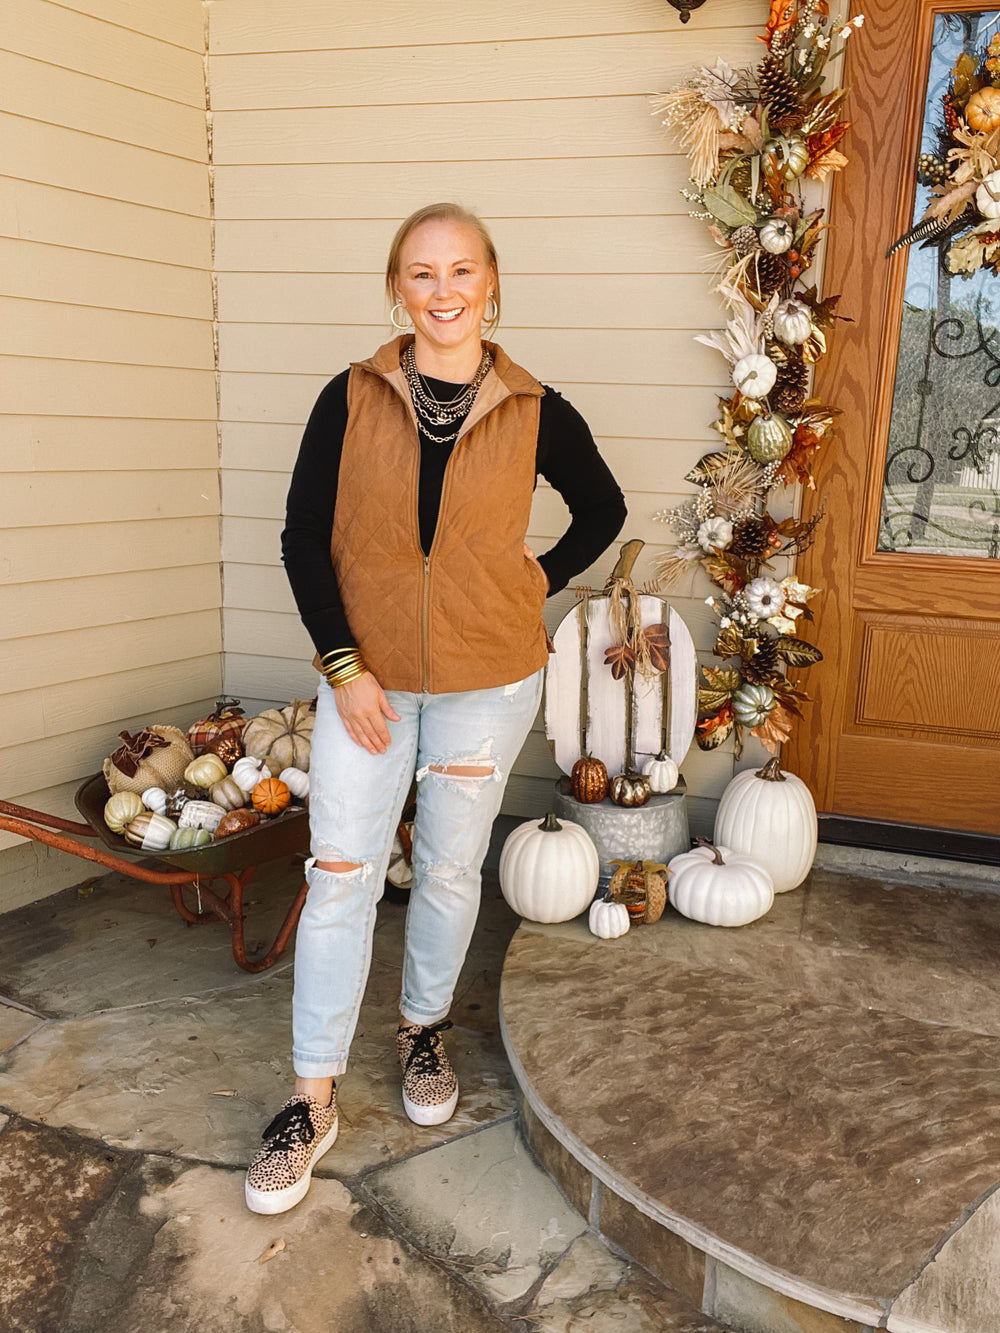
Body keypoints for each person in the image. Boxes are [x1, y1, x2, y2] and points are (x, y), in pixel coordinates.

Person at [245, 202, 627, 1214]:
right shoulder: (350, 396)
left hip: (488, 679)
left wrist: (524, 583)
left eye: (462, 271)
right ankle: (309, 1096)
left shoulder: (535, 407)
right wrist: (344, 667)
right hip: (366, 682)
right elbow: (299, 535)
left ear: (491, 285)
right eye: (422, 273)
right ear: (395, 290)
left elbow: (605, 509)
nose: (443, 289)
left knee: (452, 864)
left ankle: (421, 1033)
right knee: (339, 874)